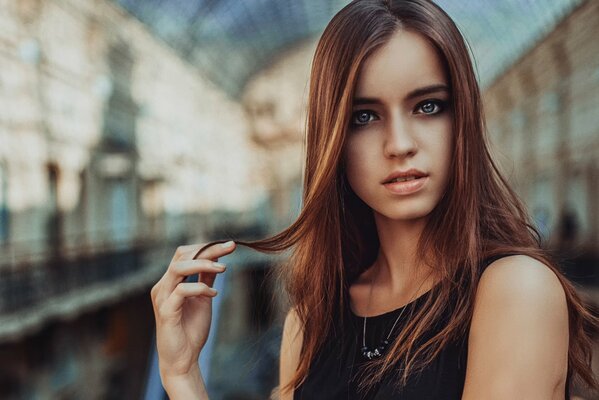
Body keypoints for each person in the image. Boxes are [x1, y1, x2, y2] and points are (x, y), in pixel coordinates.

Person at [150, 0, 599, 399]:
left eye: (428, 106)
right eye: (364, 116)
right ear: (334, 143)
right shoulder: (308, 327)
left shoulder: (515, 291)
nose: (399, 144)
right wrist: (182, 374)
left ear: (462, 120)